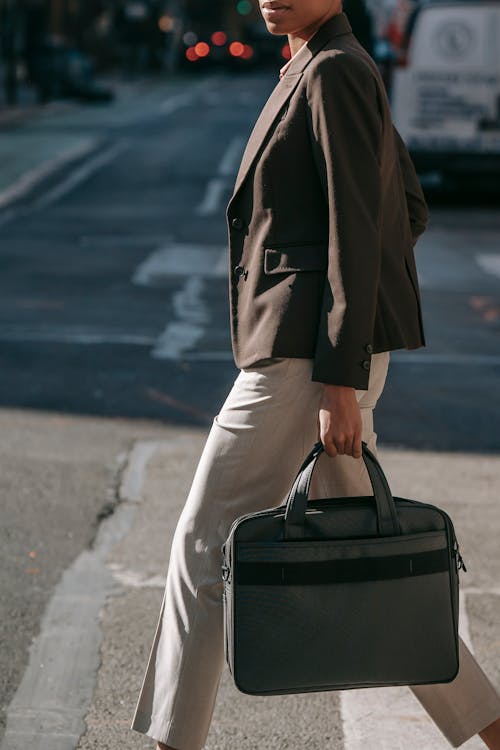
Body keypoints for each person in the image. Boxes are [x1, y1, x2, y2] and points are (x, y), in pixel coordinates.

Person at [130, 2, 500, 749]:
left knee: (204, 547)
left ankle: (173, 741)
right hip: (319, 357)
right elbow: (408, 209)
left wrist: (339, 377)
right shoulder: (316, 65)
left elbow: (361, 226)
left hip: (307, 360)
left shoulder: (333, 71)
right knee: (378, 566)